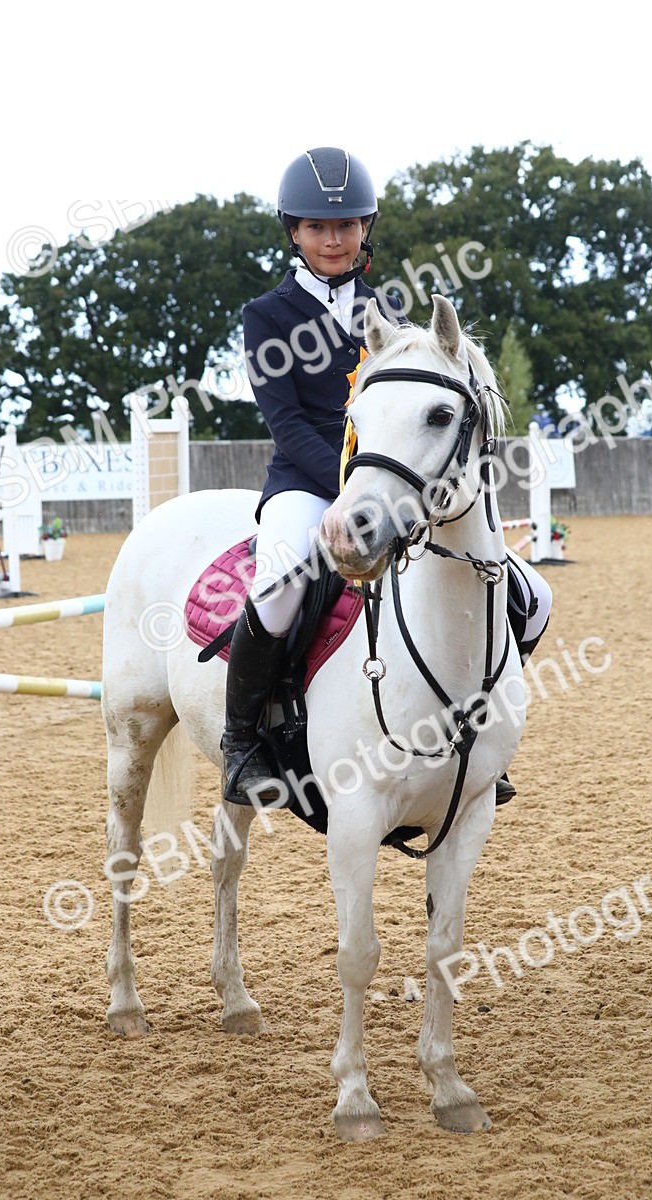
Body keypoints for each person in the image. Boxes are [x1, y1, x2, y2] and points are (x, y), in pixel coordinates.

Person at [221, 146, 403, 805]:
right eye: (319, 227)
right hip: (303, 478)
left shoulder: (391, 311)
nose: (335, 238)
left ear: (365, 229)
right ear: (293, 232)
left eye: (348, 225)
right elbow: (287, 423)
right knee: (279, 586)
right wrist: (351, 482)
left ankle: (473, 735)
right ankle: (241, 743)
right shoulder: (265, 316)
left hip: (389, 483)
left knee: (499, 582)